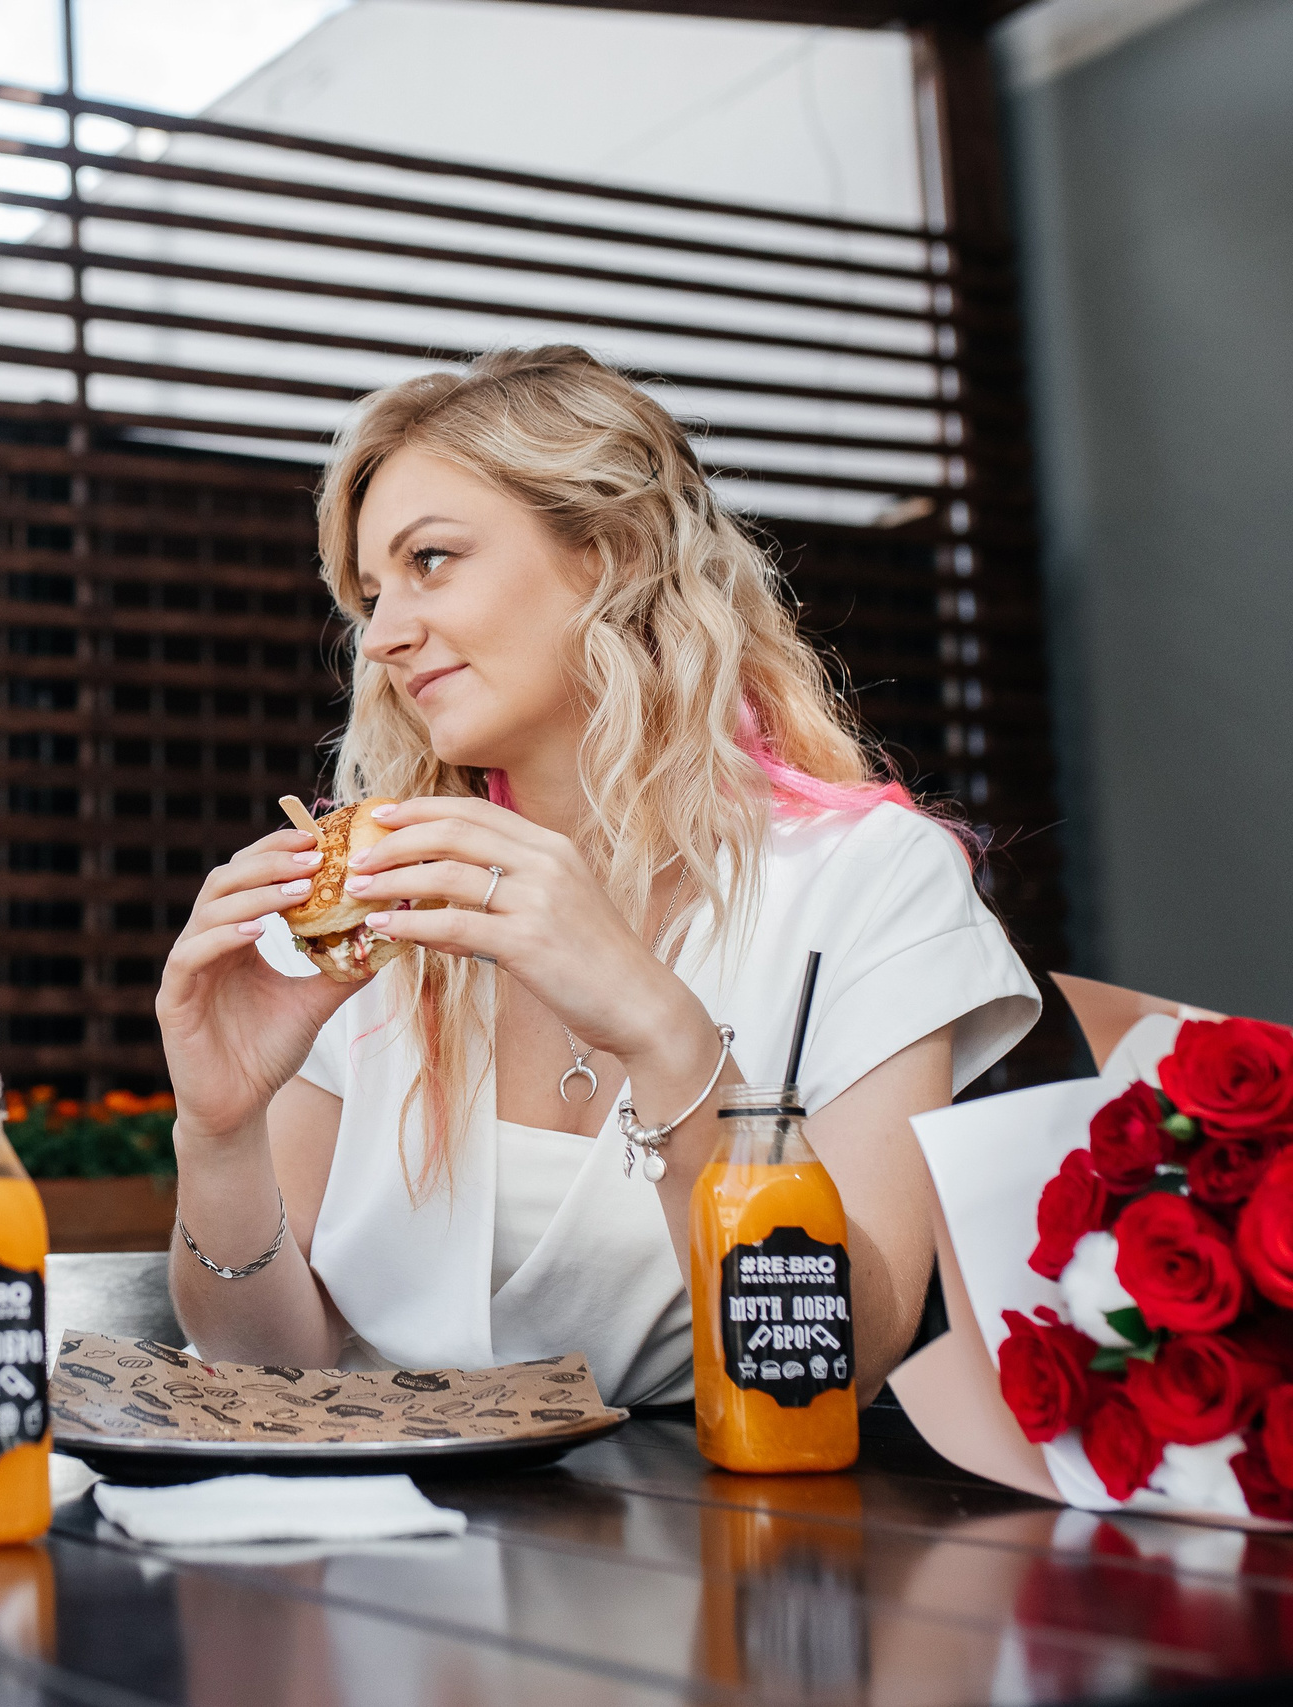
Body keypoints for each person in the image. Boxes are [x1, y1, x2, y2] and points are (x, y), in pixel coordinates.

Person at [157, 348, 1038, 1408]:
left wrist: (664, 1036)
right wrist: (217, 1137)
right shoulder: (370, 910)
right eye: (370, 593)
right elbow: (264, 1371)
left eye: (430, 559)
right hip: (369, 1538)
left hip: (710, 1539)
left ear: (610, 554)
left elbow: (834, 1364)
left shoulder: (867, 883)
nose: (383, 634)